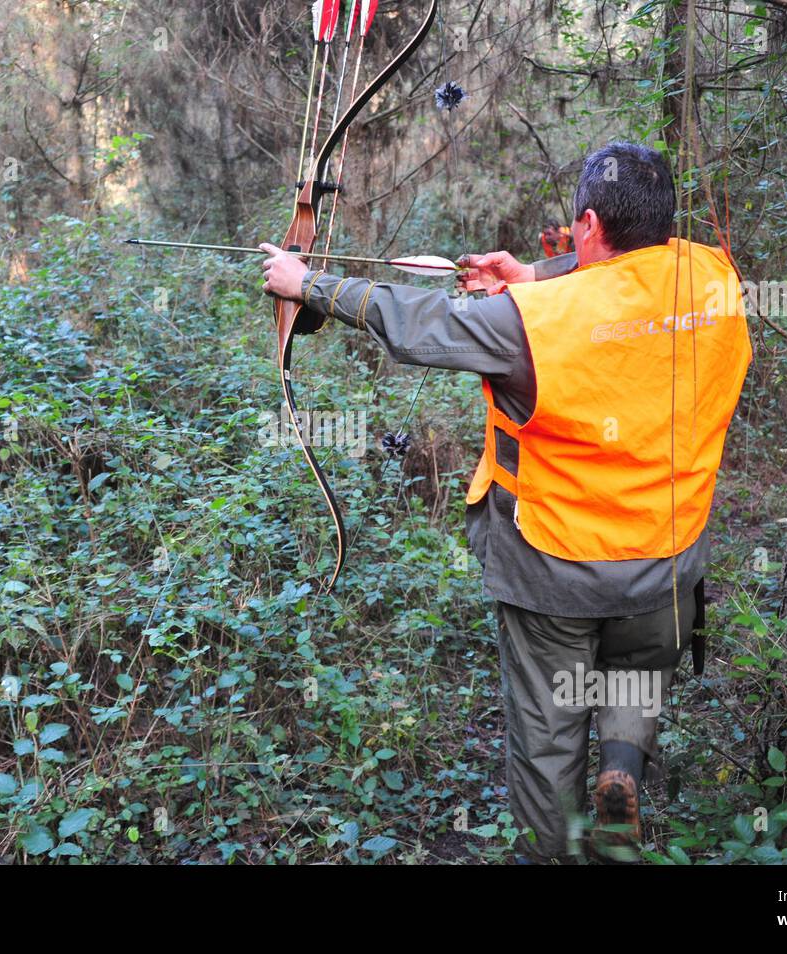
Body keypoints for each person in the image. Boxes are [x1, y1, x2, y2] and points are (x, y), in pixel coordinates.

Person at [259, 141, 752, 863]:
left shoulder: (528, 323)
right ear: (663, 222)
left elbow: (419, 323)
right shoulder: (713, 275)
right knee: (637, 676)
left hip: (558, 569)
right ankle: (621, 769)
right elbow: (623, 283)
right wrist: (535, 272)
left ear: (586, 223)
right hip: (667, 559)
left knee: (549, 736)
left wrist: (309, 283)